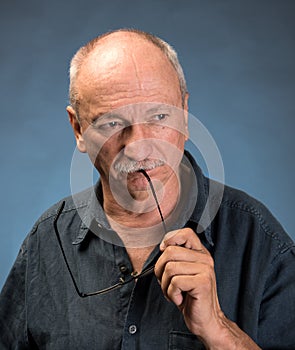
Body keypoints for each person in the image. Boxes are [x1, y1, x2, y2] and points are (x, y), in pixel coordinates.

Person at [0, 29, 294, 350]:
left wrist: (218, 330)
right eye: (111, 123)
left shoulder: (258, 238)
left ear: (184, 114)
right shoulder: (47, 240)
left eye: (158, 116)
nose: (139, 149)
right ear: (78, 129)